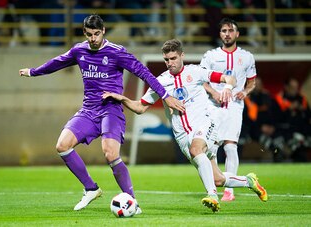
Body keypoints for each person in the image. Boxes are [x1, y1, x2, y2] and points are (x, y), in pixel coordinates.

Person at [19, 14, 185, 213]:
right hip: (88, 110)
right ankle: (91, 188)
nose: (93, 38)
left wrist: (165, 95)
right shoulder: (79, 50)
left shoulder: (116, 52)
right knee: (62, 146)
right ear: (84, 33)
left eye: (97, 34)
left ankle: (132, 201)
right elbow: (57, 62)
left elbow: (144, 73)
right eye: (89, 34)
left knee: (110, 153)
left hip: (111, 110)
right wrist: (34, 71)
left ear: (103, 31)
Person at [103, 39, 268, 213]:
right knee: (218, 179)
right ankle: (248, 181)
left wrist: (227, 87)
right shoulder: (160, 82)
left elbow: (230, 77)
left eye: (173, 58)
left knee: (197, 150)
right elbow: (140, 107)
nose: (170, 63)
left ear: (182, 55)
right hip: (182, 136)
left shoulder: (196, 72)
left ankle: (212, 196)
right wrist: (121, 98)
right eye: (166, 59)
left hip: (205, 124)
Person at [200, 17, 257, 202]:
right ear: (220, 34)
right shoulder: (210, 55)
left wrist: (245, 92)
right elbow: (203, 80)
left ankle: (229, 191)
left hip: (234, 107)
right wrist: (213, 93)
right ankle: (215, 185)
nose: (227, 34)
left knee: (231, 146)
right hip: (213, 106)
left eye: (230, 30)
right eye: (224, 31)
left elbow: (252, 82)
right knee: (211, 148)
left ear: (237, 34)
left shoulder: (247, 57)